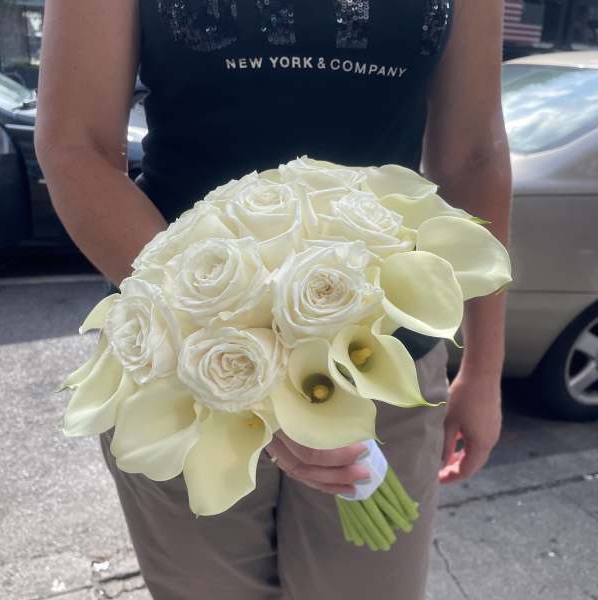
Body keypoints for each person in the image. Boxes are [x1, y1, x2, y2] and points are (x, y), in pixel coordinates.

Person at [35, 1, 511, 598]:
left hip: (384, 360)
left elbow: (473, 156)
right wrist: (257, 369)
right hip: (183, 364)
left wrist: (483, 369)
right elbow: (76, 144)